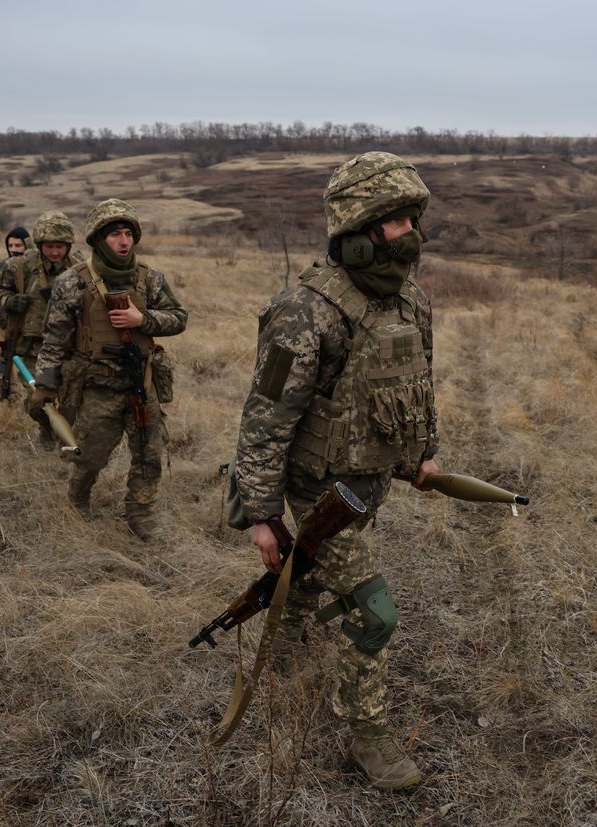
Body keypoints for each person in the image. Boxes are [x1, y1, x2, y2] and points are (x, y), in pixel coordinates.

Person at [228, 152, 441, 791]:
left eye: (413, 218)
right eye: (398, 220)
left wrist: (423, 451)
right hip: (315, 484)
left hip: (368, 484)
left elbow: (418, 386)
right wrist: (262, 513)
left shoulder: (412, 302)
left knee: (311, 576)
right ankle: (369, 737)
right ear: (362, 227)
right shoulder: (305, 309)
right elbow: (265, 419)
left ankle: (288, 655)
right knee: (374, 613)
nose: (413, 232)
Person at [29, 199, 188, 540]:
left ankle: (140, 514)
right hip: (97, 386)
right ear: (99, 239)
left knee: (149, 455)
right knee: (89, 457)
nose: (124, 240)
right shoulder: (73, 282)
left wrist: (142, 320)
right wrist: (44, 385)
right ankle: (78, 500)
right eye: (115, 233)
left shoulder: (150, 279)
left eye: (129, 233)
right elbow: (54, 339)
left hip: (142, 385)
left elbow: (179, 318)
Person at [0, 211, 84, 441]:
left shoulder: (80, 267)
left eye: (60, 246)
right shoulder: (20, 266)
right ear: (40, 244)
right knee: (38, 402)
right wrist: (9, 301)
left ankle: (65, 440)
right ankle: (47, 429)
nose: (54, 252)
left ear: (68, 245)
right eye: (49, 246)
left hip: (69, 347)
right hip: (30, 349)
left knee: (70, 403)